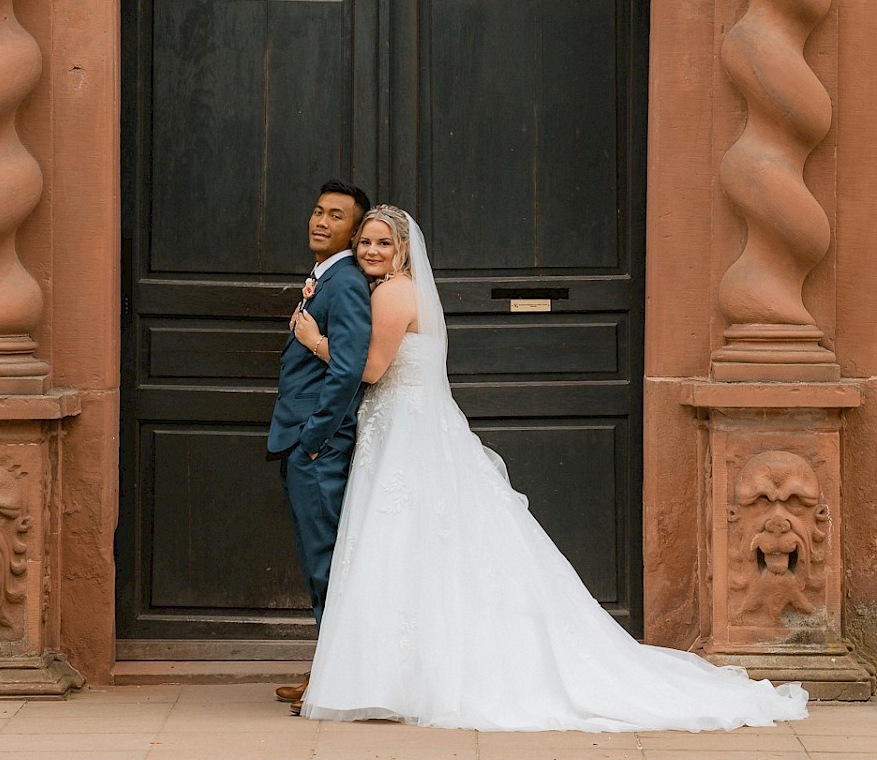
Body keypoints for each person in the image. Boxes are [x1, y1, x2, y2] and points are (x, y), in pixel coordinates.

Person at [288, 205, 810, 732]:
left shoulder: (394, 293)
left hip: (404, 427)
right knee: (421, 546)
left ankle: (401, 676)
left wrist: (316, 341)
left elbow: (373, 367)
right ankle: (401, 672)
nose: (371, 251)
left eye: (381, 243)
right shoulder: (399, 290)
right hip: (403, 426)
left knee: (404, 542)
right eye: (365, 244)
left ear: (402, 249)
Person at [266, 180, 372, 708]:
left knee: (325, 561)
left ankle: (339, 678)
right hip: (305, 441)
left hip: (318, 445)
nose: (320, 221)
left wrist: (313, 439)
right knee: (320, 560)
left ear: (354, 231)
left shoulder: (347, 281)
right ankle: (331, 669)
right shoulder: (323, 278)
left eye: (335, 216)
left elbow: (349, 368)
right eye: (317, 211)